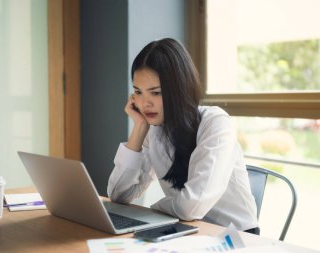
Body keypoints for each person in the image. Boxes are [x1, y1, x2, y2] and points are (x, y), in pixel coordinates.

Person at [107, 38, 259, 234]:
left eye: (155, 93)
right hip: (184, 231)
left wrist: (155, 209)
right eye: (138, 92)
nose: (145, 104)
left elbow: (192, 206)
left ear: (178, 89)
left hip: (232, 237)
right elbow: (119, 194)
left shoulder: (216, 123)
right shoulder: (154, 129)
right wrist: (139, 127)